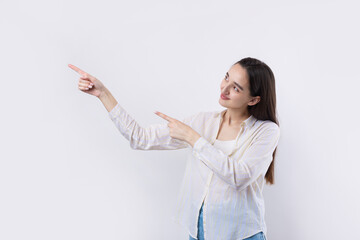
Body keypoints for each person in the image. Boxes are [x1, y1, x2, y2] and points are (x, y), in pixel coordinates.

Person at [68, 57, 280, 240]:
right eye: (226, 77)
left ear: (253, 99)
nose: (224, 89)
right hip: (200, 230)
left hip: (241, 234)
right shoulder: (203, 122)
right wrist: (103, 93)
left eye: (236, 87)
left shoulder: (266, 132)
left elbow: (239, 178)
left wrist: (193, 139)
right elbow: (139, 138)